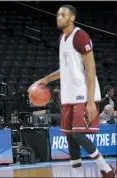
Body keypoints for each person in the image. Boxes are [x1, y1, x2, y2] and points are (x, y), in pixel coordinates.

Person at [28, 5, 115, 178]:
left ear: (72, 17)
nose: (59, 17)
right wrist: (45, 79)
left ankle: (106, 169)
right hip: (69, 96)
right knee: (69, 137)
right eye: (58, 14)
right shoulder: (62, 39)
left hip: (84, 94)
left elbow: (91, 69)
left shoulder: (80, 36)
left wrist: (91, 102)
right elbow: (66, 69)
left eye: (63, 14)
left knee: (78, 135)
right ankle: (77, 174)